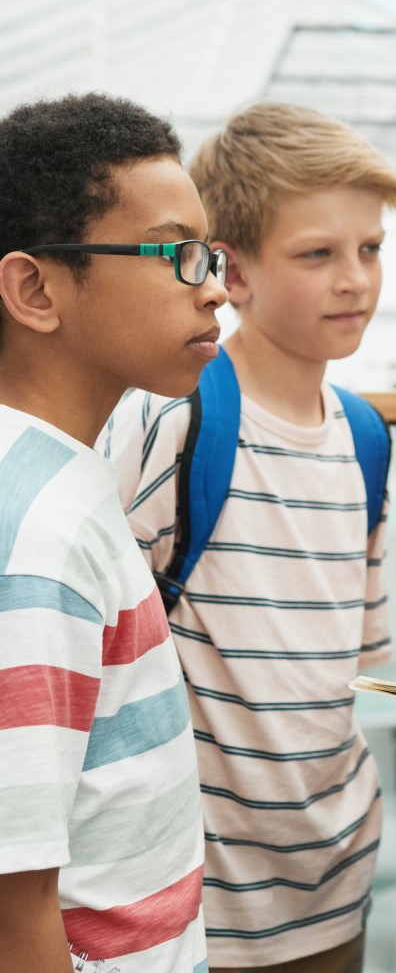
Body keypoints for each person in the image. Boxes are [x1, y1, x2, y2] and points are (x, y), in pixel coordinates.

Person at [99, 102, 396, 973]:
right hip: (197, 902)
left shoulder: (366, 436)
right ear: (230, 271)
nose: (356, 280)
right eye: (318, 254)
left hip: (336, 881)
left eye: (371, 248)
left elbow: (355, 660)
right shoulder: (174, 421)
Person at [0, 92, 227, 971]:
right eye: (177, 253)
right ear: (35, 288)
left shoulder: (62, 480)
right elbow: (14, 916)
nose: (213, 285)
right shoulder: (35, 538)